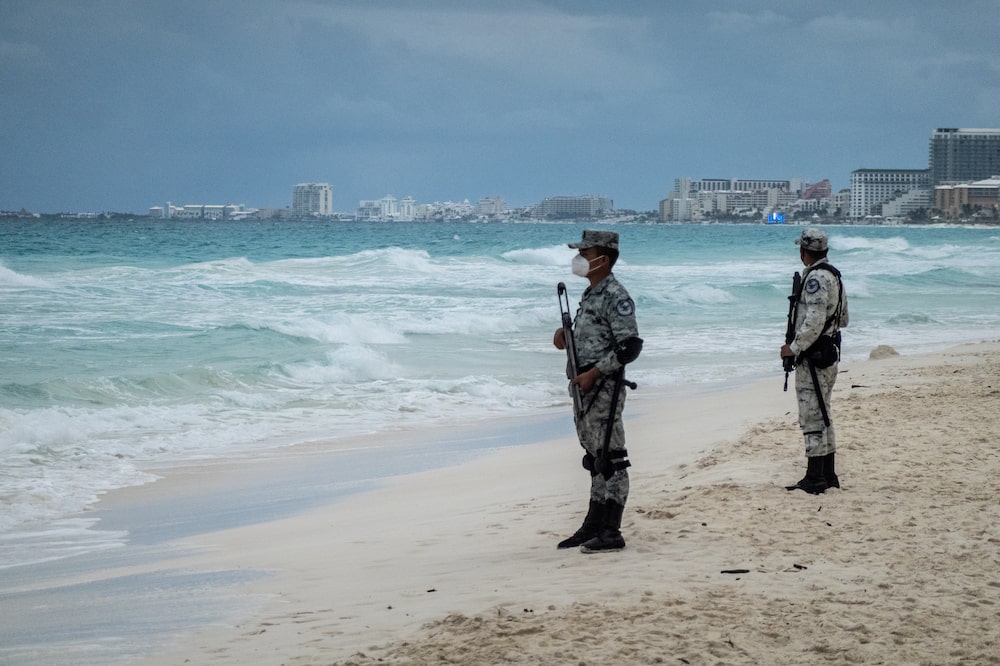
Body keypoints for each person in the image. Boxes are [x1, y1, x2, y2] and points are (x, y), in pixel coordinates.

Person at [553, 230, 642, 553]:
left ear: (603, 259)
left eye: (585, 253)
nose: (579, 259)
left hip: (604, 387)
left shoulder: (615, 295)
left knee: (612, 458)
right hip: (584, 388)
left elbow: (630, 346)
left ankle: (611, 530)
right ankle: (593, 524)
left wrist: (594, 373)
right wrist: (566, 337)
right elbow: (596, 338)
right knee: (595, 459)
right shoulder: (591, 294)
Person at [780, 227, 849, 494]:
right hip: (829, 352)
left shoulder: (816, 278)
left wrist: (793, 348)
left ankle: (815, 477)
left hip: (814, 357)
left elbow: (814, 320)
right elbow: (843, 318)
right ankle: (828, 474)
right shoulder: (834, 275)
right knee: (823, 412)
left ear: (804, 251)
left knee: (812, 415)